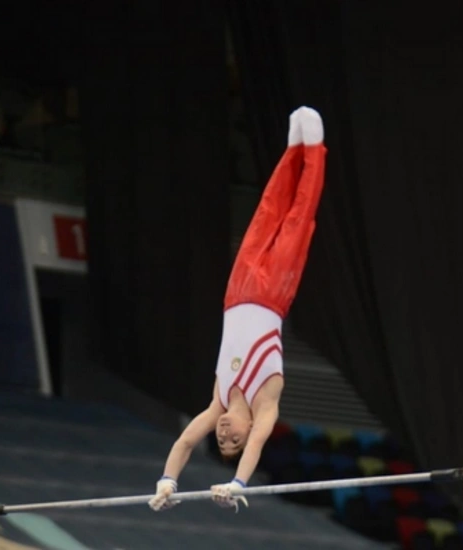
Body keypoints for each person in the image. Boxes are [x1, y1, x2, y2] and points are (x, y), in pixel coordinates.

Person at [147, 106, 326, 513]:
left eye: (222, 439)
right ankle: (313, 148)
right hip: (274, 296)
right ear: (247, 432)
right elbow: (259, 443)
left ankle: (293, 146)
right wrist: (238, 482)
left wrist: (167, 480)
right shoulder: (267, 403)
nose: (225, 433)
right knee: (297, 220)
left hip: (236, 294)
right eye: (234, 439)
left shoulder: (219, 399)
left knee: (266, 213)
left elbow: (185, 441)